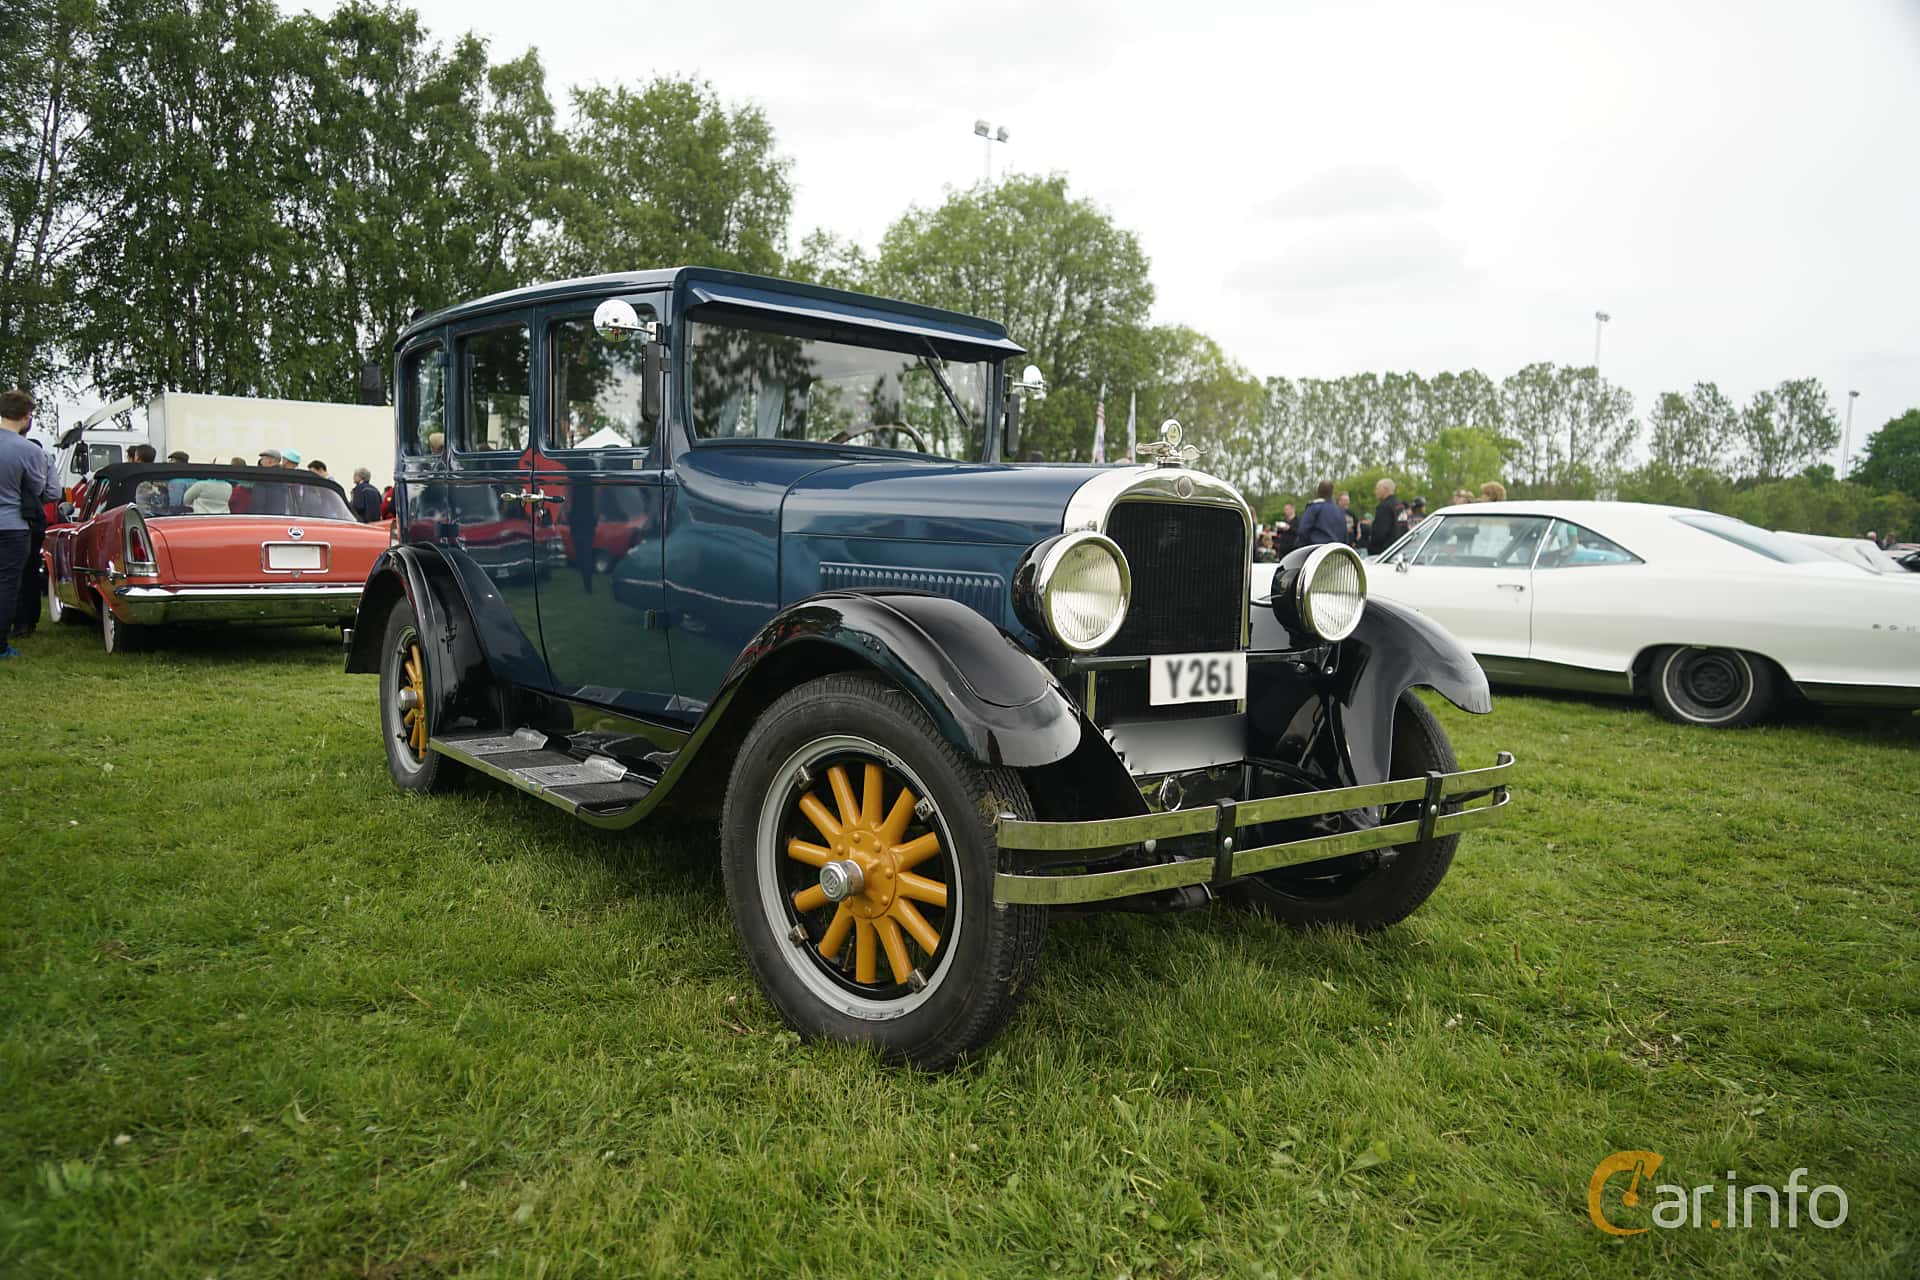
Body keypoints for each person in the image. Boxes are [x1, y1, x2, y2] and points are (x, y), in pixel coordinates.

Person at [1, 389, 59, 655]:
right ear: (26, 417)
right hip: (13, 524)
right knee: (8, 584)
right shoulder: (29, 450)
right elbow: (38, 488)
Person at [1296, 481, 1349, 547]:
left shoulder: (1314, 508)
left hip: (1317, 549)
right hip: (1335, 551)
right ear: (1332, 493)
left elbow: (1302, 531)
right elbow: (1345, 536)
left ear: (1318, 492)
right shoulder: (1340, 511)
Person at [1368, 477, 1408, 555]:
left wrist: (1372, 547)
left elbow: (1379, 533)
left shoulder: (1384, 507)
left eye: (1377, 489)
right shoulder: (1400, 506)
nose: (1375, 492)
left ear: (1385, 489)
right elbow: (1404, 528)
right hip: (1399, 549)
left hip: (1384, 552)